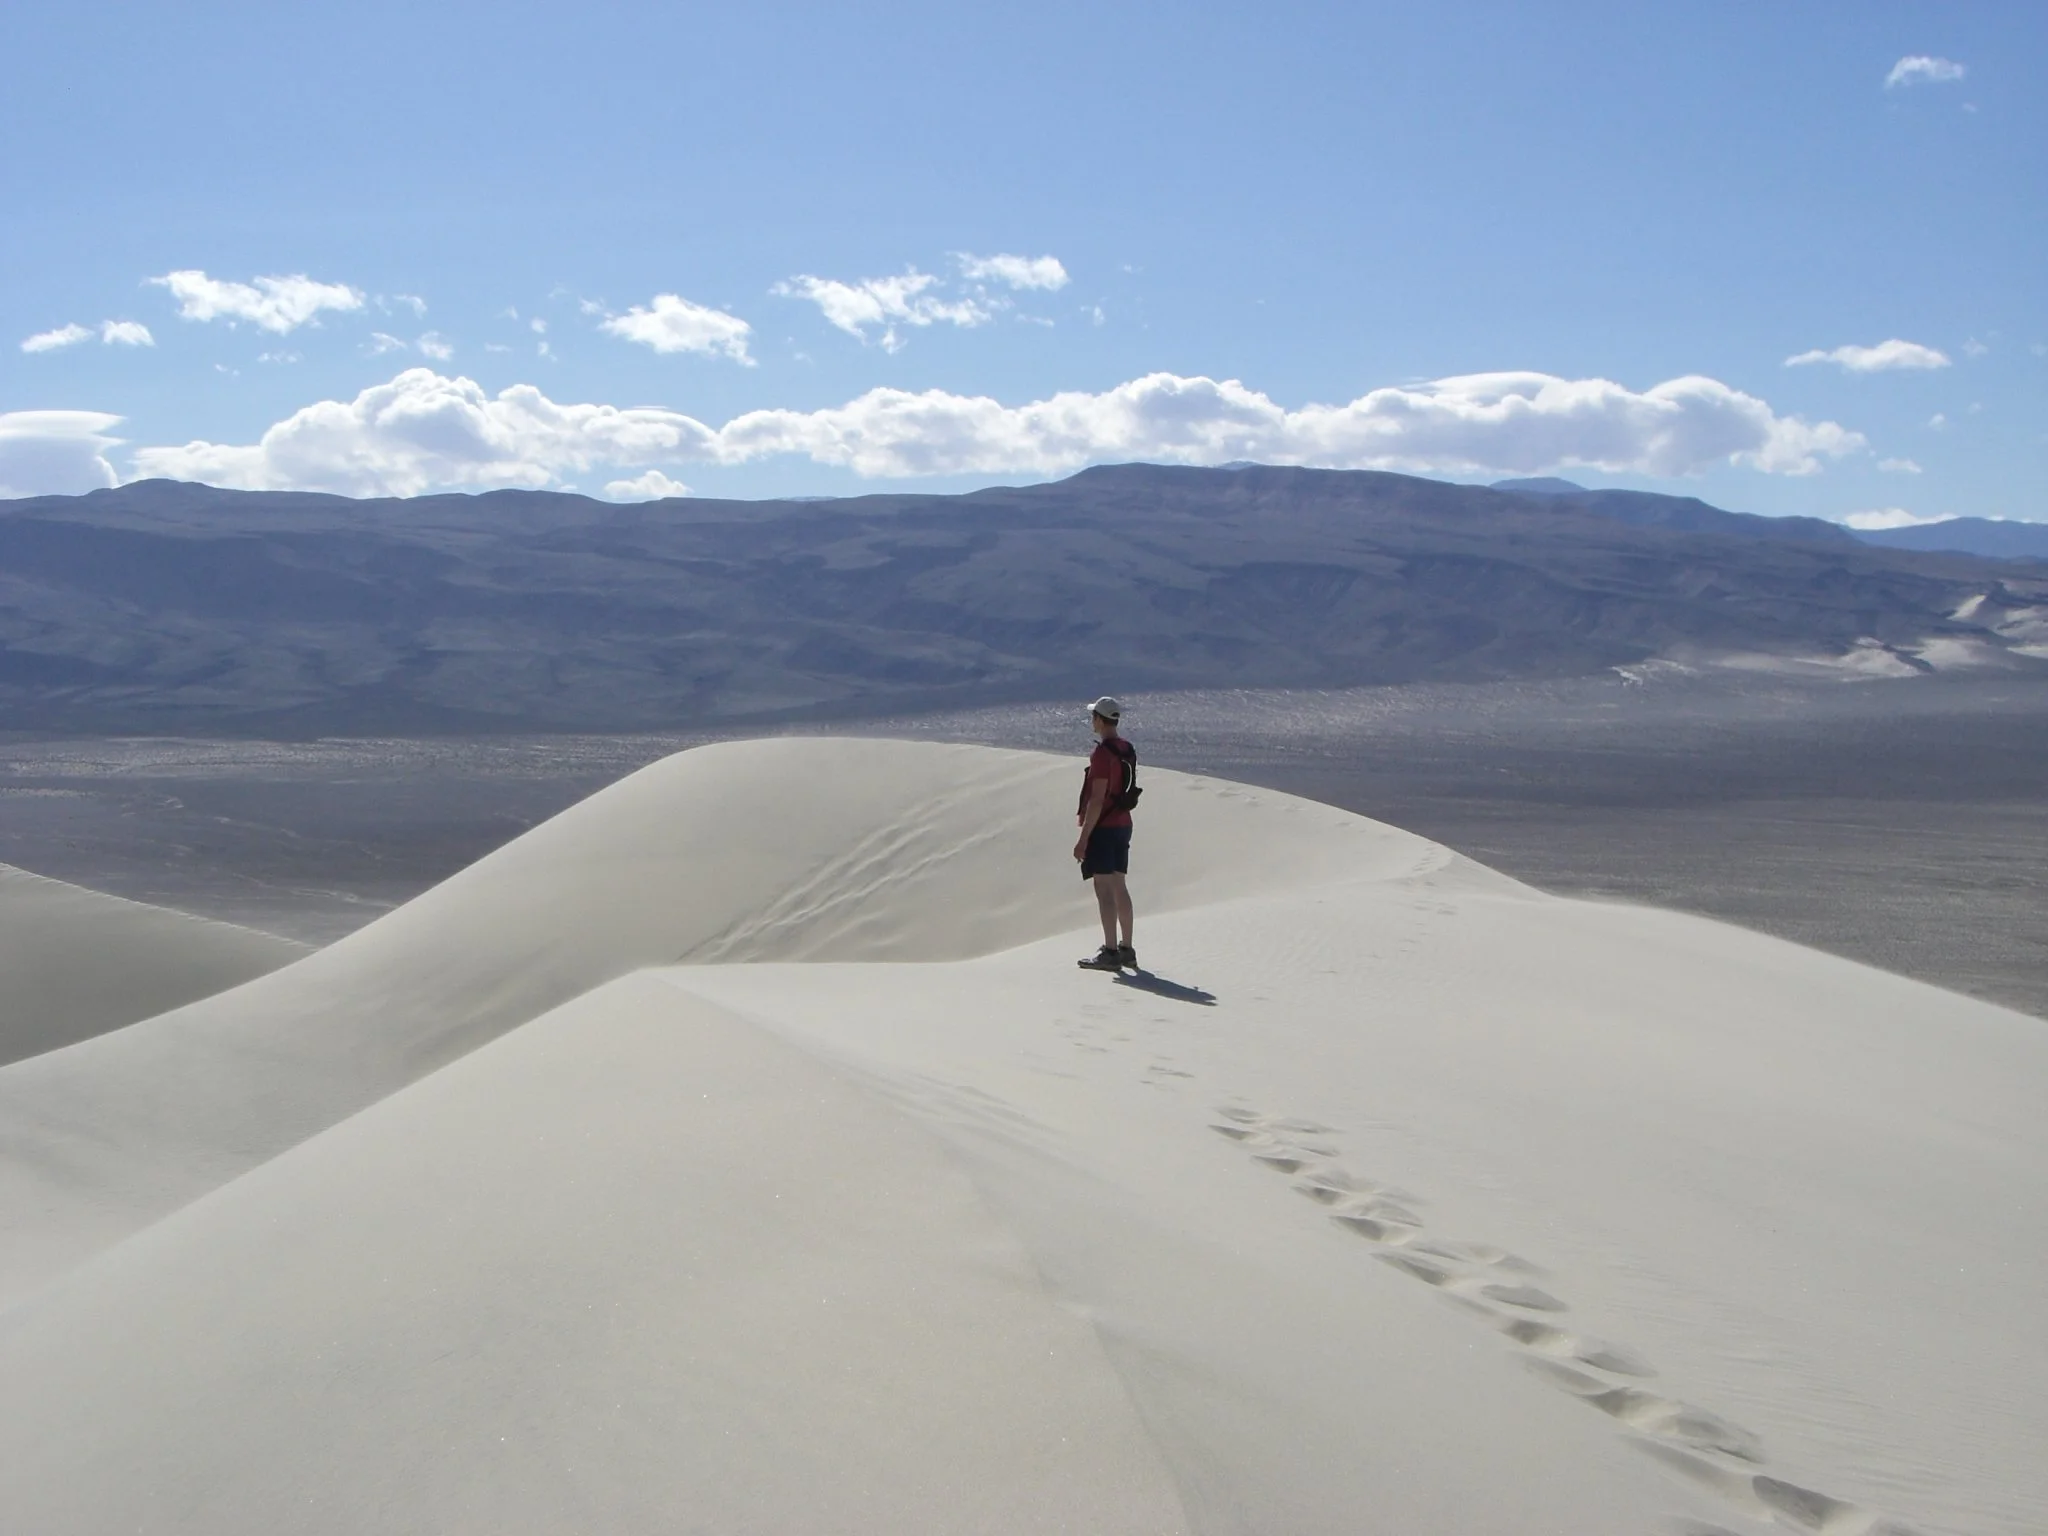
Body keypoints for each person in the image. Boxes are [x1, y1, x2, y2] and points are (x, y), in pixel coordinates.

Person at [1074, 696, 1138, 971]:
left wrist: (1083, 838)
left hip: (1104, 827)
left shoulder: (1102, 754)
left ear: (1100, 720)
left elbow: (1097, 799)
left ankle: (1110, 951)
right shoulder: (1126, 748)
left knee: (1103, 889)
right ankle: (1126, 947)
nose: (1092, 721)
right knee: (1119, 885)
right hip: (1123, 823)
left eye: (1093, 717)